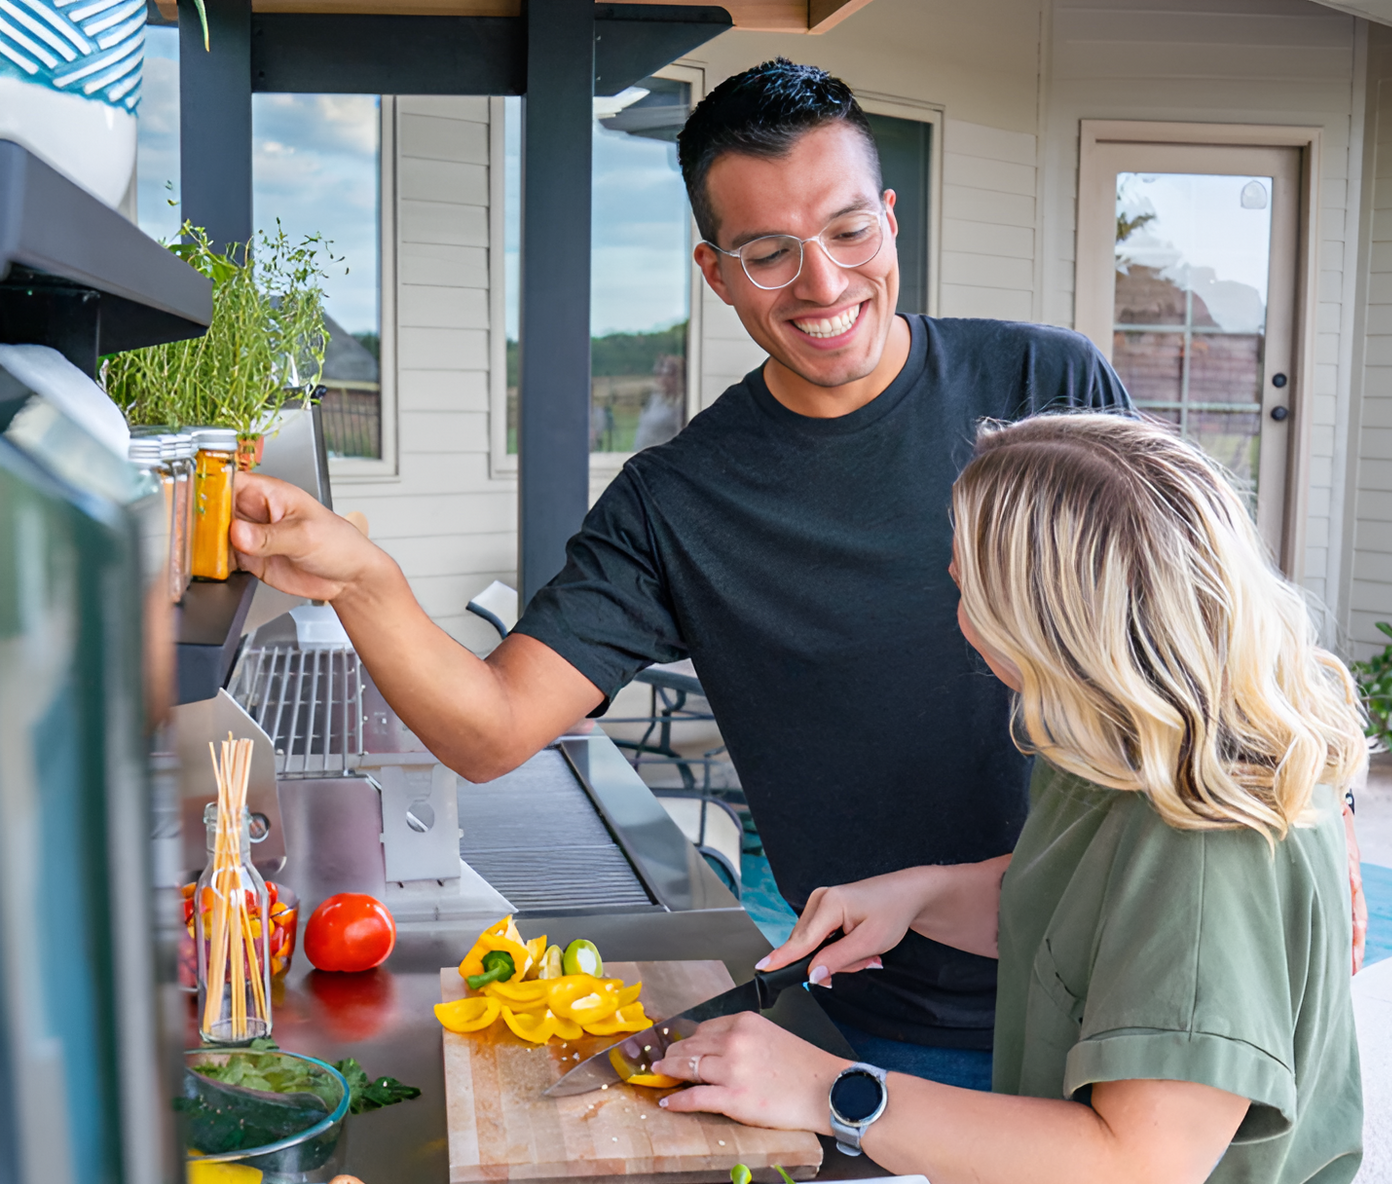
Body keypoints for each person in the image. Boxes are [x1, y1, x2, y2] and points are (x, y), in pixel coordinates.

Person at [230, 61, 1128, 1090]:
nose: (823, 284)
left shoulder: (1047, 385)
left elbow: (1213, 634)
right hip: (888, 1016)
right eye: (767, 254)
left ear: (888, 219)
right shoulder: (677, 500)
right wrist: (365, 582)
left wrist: (1312, 801)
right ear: (713, 271)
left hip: (1120, 975)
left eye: (846, 233)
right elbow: (490, 729)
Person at [652, 413, 1381, 1184]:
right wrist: (915, 895)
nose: (956, 615)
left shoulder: (1203, 848)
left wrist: (824, 1091)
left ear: (1054, 617)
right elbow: (1085, 915)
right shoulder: (1127, 741)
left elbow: (1133, 1174)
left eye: (968, 590)